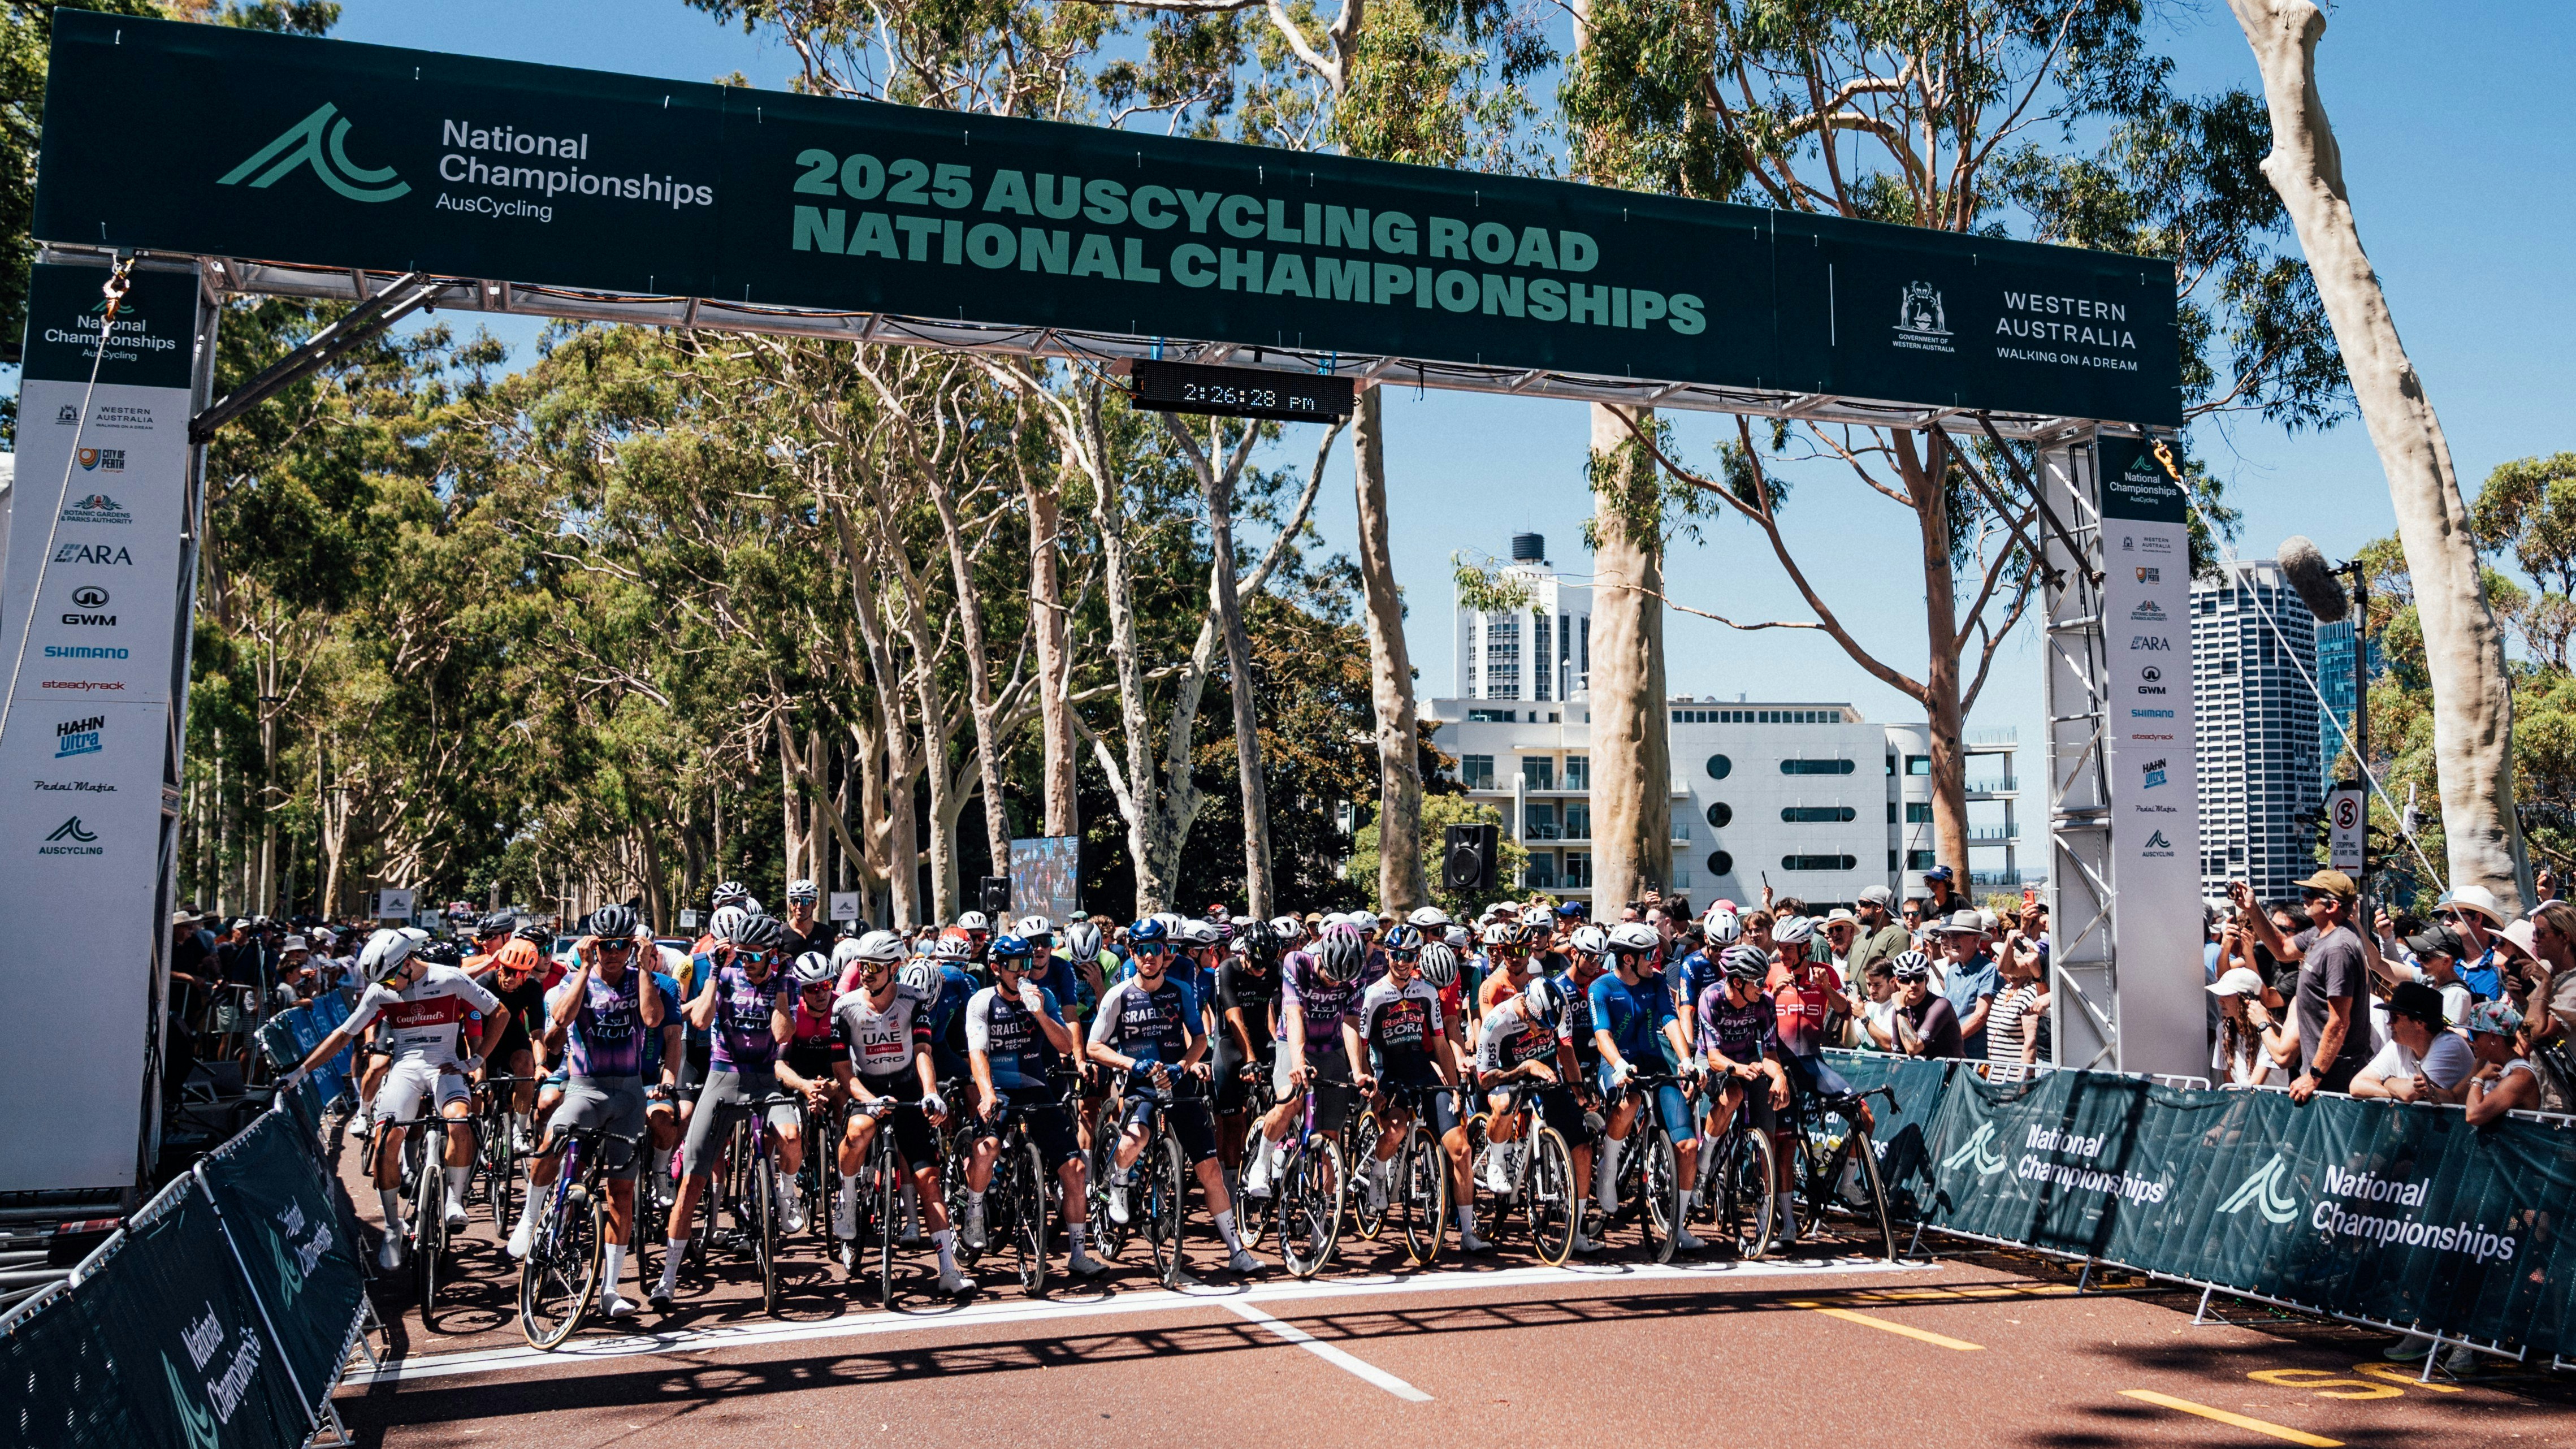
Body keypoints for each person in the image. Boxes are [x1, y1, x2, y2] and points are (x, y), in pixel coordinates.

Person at [295, 927, 503, 1270]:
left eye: (392, 979)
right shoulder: (381, 990)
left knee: (460, 1123)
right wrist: (301, 1071)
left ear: (407, 963)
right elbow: (343, 1034)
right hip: (405, 1067)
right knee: (384, 1142)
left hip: (444, 1066)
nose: (389, 987)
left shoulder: (449, 978)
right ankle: (393, 1228)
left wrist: (476, 1062)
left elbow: (500, 1013)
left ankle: (454, 1197)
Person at [507, 906, 666, 1318]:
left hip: (629, 1093)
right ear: (592, 945)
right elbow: (560, 1018)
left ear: (633, 945)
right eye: (605, 945)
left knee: (622, 1193)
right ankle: (529, 1218)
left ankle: (610, 1289)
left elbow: (652, 1019)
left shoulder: (639, 980)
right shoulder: (580, 979)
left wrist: (645, 967)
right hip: (585, 1087)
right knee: (554, 1136)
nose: (613, 953)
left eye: (622, 945)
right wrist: (583, 969)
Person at [1086, 920, 1262, 1274]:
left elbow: (1200, 1038)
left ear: (1166, 951)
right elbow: (1094, 1046)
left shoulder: (1181, 989)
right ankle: (1120, 1182)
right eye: (1142, 949)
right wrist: (1131, 1064)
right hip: (1140, 1083)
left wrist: (1184, 1065)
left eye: (1156, 948)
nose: (1150, 955)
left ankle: (1236, 1250)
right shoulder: (1117, 995)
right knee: (1136, 1138)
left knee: (1209, 1168)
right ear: (1133, 953)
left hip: (1176, 1082)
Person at [657, 911, 803, 1307]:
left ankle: (786, 1192)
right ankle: (668, 1276)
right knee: (693, 1178)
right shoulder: (723, 974)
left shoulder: (785, 978)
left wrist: (776, 985)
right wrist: (713, 973)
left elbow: (781, 1033)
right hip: (723, 1075)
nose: (747, 963)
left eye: (755, 956)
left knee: (791, 1138)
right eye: (742, 954)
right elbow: (701, 1021)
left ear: (773, 954)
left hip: (764, 1077)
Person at [825, 929, 971, 1292]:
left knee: (929, 1180)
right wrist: (867, 1099)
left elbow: (923, 1050)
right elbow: (842, 1070)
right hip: (866, 1087)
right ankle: (846, 1196)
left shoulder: (914, 1000)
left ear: (895, 968)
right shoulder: (843, 1008)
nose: (866, 972)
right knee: (857, 1132)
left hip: (906, 1087)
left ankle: (948, 1270)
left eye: (875, 966)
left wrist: (931, 1092)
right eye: (862, 965)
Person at [958, 934, 1107, 1276]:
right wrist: (987, 1094)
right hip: (999, 1087)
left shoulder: (1045, 996)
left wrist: (1040, 1013)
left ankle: (1079, 1253)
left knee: (1075, 1169)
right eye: (1014, 965)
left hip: (1036, 1086)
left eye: (1026, 964)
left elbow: (1066, 1045)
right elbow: (977, 1053)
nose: (1022, 972)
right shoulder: (981, 1002)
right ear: (995, 968)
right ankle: (976, 1212)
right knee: (987, 1148)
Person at [1348, 935, 1483, 1252]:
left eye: (1409, 955)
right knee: (1395, 1131)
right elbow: (1364, 1046)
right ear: (1389, 954)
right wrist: (1371, 1085)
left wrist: (1453, 1088)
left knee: (1461, 1149)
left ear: (1416, 957)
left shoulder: (1427, 993)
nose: (1402, 961)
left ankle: (1467, 1232)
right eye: (1397, 954)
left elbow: (1439, 1042)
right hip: (1390, 1074)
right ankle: (1379, 1172)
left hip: (1424, 1073)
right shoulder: (1374, 994)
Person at [1587, 921, 1702, 1251]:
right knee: (1632, 1101)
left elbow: (1669, 1021)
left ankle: (1676, 1227)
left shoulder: (1655, 984)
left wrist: (1685, 1060)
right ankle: (1608, 1171)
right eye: (1650, 955)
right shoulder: (1602, 988)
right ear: (1628, 959)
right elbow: (1603, 1035)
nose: (1657, 960)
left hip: (1653, 1062)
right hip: (1616, 1062)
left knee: (1688, 1146)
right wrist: (1619, 1065)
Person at [1244, 924, 1364, 1205]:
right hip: (1293, 1043)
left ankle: (1321, 1230)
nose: (1335, 985)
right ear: (1321, 955)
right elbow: (1295, 1015)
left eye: (1341, 981)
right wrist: (1298, 1063)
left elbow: (1350, 1023)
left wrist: (1357, 1072)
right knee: (1290, 1101)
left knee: (1331, 1137)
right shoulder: (1298, 962)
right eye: (1331, 977)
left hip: (1330, 1049)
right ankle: (1261, 1164)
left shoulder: (1356, 976)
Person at [2235, 871, 2367, 1100]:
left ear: (2332, 906)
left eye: (2311, 893)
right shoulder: (2320, 933)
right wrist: (2251, 908)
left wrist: (2313, 1075)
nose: (2303, 897)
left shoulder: (2338, 949)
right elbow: (2283, 949)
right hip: (2321, 1076)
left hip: (2334, 1080)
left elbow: (2339, 1022)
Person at [473, 936, 553, 1151]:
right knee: (477, 1087)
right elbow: (474, 1033)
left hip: (510, 1034)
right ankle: (478, 1131)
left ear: (526, 975)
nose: (510, 978)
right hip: (481, 1034)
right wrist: (479, 1074)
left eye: (517, 974)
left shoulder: (533, 987)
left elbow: (537, 1033)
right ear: (500, 967)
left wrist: (540, 1065)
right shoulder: (484, 984)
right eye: (506, 970)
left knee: (526, 1065)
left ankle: (518, 1131)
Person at [1213, 919, 1280, 1173]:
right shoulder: (1228, 969)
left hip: (1262, 1038)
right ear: (1246, 953)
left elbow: (1292, 1007)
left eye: (1267, 965)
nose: (1262, 970)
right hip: (1230, 1041)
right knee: (1234, 1123)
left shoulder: (1274, 968)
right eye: (1257, 964)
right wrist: (1250, 1059)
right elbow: (1234, 1017)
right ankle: (1231, 1187)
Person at [2351, 981, 2476, 1104]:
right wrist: (2394, 1092)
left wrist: (2388, 1080)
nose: (2389, 1023)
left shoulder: (2450, 1044)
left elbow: (2412, 1093)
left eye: (2395, 1017)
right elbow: (2357, 1085)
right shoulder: (2399, 1043)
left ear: (2419, 1023)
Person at [2207, 967, 2294, 1087]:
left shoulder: (2270, 1033)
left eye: (2226, 995)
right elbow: (2228, 1083)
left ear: (2246, 1000)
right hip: (2240, 1100)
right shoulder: (2222, 1029)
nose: (2220, 1001)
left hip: (2268, 1103)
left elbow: (2255, 1085)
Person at [1932, 911, 2000, 1058]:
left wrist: (1952, 1040)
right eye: (1951, 934)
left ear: (1975, 939)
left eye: (1959, 934)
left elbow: (1981, 1015)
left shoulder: (1989, 970)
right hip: (1950, 1054)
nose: (1953, 940)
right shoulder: (1953, 971)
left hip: (1975, 1058)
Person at [1892, 952, 1962, 1059]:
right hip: (1920, 1073)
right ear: (1897, 982)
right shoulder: (1899, 1009)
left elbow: (1912, 1048)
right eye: (1906, 980)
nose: (1913, 985)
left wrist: (1901, 1011)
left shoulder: (1941, 1006)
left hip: (1948, 1074)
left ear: (1927, 979)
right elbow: (1898, 1055)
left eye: (1919, 978)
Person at [1850, 886, 1912, 978]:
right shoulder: (1858, 940)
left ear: (1879, 908)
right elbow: (1848, 975)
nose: (1857, 908)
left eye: (1863, 904)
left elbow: (1894, 978)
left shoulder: (1898, 936)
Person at [781, 879, 832, 959]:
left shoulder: (826, 933)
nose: (799, 906)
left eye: (804, 901)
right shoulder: (781, 933)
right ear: (791, 906)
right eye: (795, 901)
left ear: (814, 905)